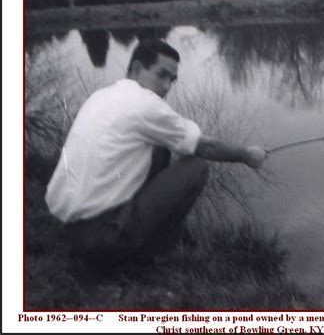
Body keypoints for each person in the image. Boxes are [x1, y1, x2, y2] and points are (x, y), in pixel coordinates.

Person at [45, 39, 267, 267]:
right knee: (196, 168)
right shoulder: (146, 104)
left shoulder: (100, 96)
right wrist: (247, 155)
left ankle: (130, 239)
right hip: (103, 239)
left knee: (161, 148)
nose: (167, 86)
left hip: (69, 230)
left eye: (172, 79)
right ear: (136, 69)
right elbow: (205, 147)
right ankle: (149, 254)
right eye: (162, 75)